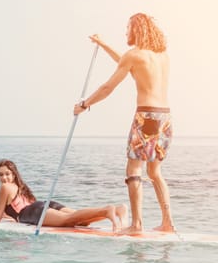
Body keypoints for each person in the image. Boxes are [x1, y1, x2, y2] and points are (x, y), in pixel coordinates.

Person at [73, 13, 175, 233]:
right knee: (155, 172)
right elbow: (125, 62)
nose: (126, 32)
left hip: (146, 117)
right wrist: (103, 44)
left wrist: (85, 104)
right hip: (165, 117)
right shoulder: (162, 56)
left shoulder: (134, 56)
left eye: (128, 27)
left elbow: (108, 87)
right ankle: (168, 223)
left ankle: (137, 225)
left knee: (133, 170)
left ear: (136, 30)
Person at [0, 159, 128, 231]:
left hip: (34, 212)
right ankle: (118, 210)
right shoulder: (21, 187)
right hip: (44, 206)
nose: (4, 178)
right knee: (81, 220)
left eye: (7, 174)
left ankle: (107, 211)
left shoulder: (5, 188)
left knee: (69, 220)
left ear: (13, 174)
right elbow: (14, 212)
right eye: (1, 175)